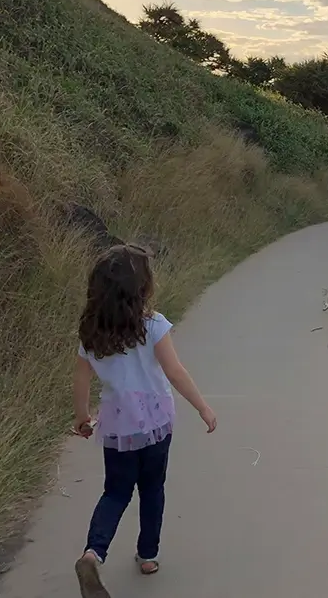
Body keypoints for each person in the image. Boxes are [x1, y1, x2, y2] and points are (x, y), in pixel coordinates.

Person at [73, 245, 216, 596]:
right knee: (152, 489)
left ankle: (93, 553)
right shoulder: (152, 325)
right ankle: (148, 555)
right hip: (155, 425)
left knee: (115, 492)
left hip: (118, 427)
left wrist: (82, 417)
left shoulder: (91, 331)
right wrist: (202, 407)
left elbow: (81, 378)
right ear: (142, 287)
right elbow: (175, 372)